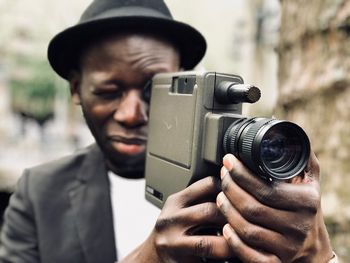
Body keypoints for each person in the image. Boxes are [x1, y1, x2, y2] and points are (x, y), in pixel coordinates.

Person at [0, 0, 336, 262]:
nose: (131, 115)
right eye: (108, 91)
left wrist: (316, 255)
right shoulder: (39, 193)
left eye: (152, 92)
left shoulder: (245, 186)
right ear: (76, 90)